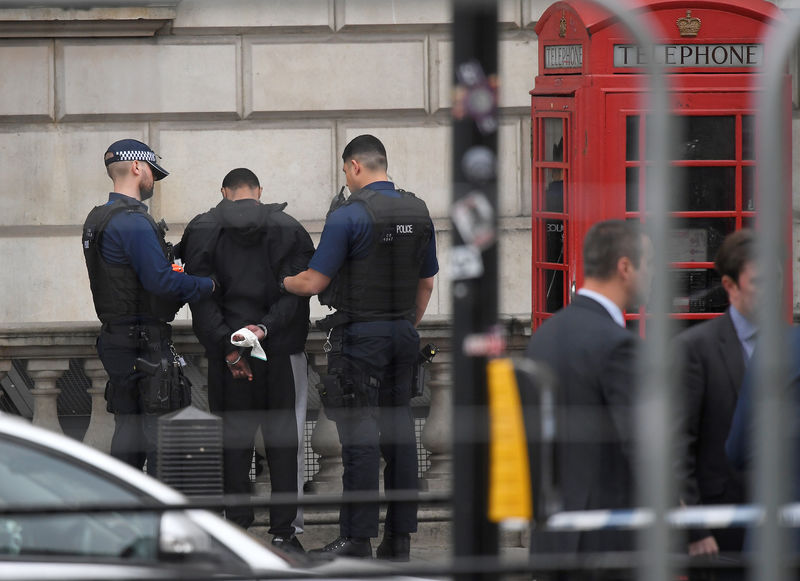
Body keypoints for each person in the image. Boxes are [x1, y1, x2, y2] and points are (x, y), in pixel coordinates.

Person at [282, 134, 438, 560]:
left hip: (359, 339)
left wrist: (281, 281)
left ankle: (356, 538)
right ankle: (400, 539)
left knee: (360, 441)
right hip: (403, 337)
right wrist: (406, 324)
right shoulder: (418, 209)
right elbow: (426, 282)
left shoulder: (349, 215)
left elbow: (314, 281)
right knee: (403, 438)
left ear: (354, 166)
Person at [179, 168, 314, 553]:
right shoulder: (288, 228)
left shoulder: (203, 230)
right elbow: (300, 291)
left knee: (233, 443)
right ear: (258, 191)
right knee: (284, 444)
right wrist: (263, 330)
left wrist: (229, 346)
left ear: (224, 192)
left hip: (228, 359)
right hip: (280, 349)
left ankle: (236, 532)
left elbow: (200, 296)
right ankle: (284, 535)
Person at [524, 219, 653, 578]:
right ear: (625, 267)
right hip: (606, 542)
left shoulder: (545, 335)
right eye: (651, 264)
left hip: (552, 538)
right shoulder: (619, 345)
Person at [82, 138, 215, 475]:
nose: (153, 180)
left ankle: (123, 516)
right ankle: (158, 521)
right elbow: (162, 282)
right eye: (152, 172)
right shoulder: (133, 221)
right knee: (162, 441)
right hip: (145, 342)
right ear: (138, 167)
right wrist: (209, 285)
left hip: (116, 339)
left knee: (128, 433)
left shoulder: (97, 218)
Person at [672, 228, 756, 563]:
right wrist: (695, 529)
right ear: (730, 286)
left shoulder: (791, 345)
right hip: (720, 526)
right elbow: (677, 446)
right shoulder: (695, 348)